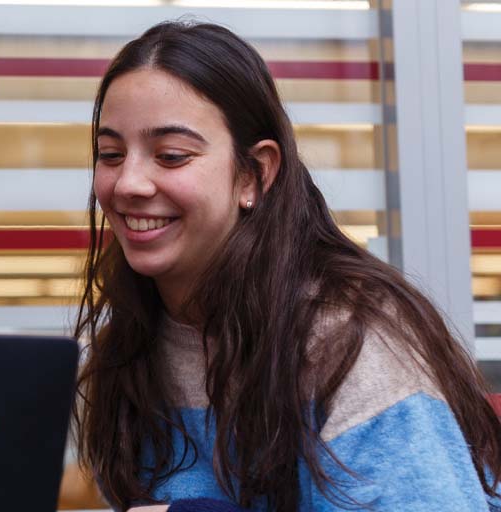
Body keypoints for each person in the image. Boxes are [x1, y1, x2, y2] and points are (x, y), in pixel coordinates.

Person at [74, 21, 501, 512]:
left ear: (255, 174)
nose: (127, 182)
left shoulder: (350, 336)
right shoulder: (132, 342)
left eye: (171, 156)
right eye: (110, 154)